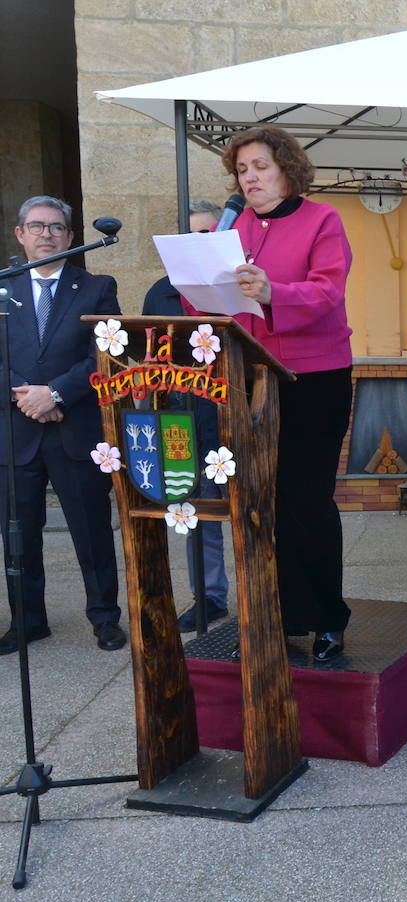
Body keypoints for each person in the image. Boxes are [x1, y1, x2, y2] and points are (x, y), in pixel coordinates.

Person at [189, 126, 355, 663]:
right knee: (261, 500)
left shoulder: (321, 220)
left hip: (312, 380)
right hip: (249, 377)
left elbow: (328, 291)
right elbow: (211, 305)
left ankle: (327, 618)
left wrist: (272, 291)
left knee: (305, 500)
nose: (251, 178)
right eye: (242, 170)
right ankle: (276, 616)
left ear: (286, 167)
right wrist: (194, 286)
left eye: (260, 166)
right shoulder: (230, 228)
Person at [0, 195, 125, 653]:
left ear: (71, 237)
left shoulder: (96, 288)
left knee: (91, 532)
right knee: (19, 536)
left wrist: (54, 394)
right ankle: (28, 620)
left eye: (56, 227)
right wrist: (27, 398)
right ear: (21, 234)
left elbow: (106, 352)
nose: (47, 234)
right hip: (16, 435)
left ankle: (104, 619)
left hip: (76, 431)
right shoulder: (3, 288)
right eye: (37, 226)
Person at [143, 199, 230, 632]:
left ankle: (270, 590)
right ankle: (210, 596)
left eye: (208, 233)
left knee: (256, 512)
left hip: (237, 416)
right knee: (197, 513)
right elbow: (147, 356)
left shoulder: (239, 284)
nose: (200, 242)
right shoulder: (161, 292)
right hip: (185, 418)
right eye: (191, 235)